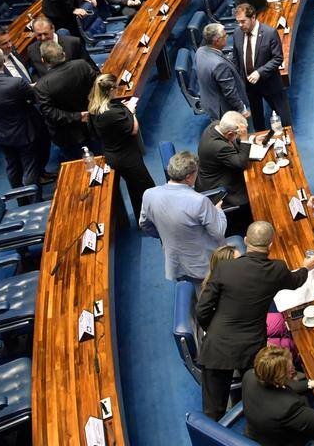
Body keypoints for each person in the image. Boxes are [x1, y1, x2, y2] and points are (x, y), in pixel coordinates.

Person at [196, 221, 314, 419]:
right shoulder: (277, 269)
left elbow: (202, 309)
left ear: (245, 241)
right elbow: (296, 282)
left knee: (212, 413)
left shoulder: (224, 268)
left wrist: (216, 330)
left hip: (217, 347)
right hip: (251, 351)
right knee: (260, 398)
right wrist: (305, 267)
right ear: (270, 246)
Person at [139, 150, 228, 285]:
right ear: (188, 177)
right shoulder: (200, 201)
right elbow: (218, 232)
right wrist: (218, 211)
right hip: (203, 265)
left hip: (175, 262)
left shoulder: (149, 194)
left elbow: (144, 224)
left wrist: (165, 235)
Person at [0, 46, 49, 189]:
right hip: (23, 130)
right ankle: (33, 201)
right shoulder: (15, 83)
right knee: (30, 166)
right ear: (2, 61)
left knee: (12, 165)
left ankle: (21, 200)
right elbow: (34, 98)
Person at [88, 73, 155, 222]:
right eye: (116, 88)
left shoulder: (94, 107)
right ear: (110, 90)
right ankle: (152, 219)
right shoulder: (111, 113)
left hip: (114, 152)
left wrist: (123, 110)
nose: (117, 90)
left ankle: (141, 217)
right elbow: (134, 129)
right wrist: (131, 111)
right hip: (126, 157)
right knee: (147, 188)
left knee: (134, 187)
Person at [33, 41, 97, 160]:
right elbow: (98, 87)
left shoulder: (41, 86)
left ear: (43, 60)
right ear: (64, 54)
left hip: (68, 134)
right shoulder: (82, 65)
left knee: (78, 164)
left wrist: (78, 116)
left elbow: (50, 113)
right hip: (94, 121)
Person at [233, 3, 290, 131]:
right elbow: (236, 59)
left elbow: (278, 58)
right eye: (238, 22)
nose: (240, 25)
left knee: (282, 116)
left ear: (253, 18)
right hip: (249, 85)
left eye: (243, 21)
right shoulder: (237, 33)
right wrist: (239, 80)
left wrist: (260, 72)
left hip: (269, 82)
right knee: (257, 118)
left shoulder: (270, 33)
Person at [198, 111, 253, 233]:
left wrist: (250, 141)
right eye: (237, 134)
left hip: (214, 174)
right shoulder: (218, 147)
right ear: (229, 133)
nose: (238, 136)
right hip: (218, 186)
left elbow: (232, 141)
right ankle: (248, 224)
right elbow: (241, 164)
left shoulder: (216, 125)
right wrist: (244, 140)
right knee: (253, 191)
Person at [196, 22, 251, 121]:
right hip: (223, 108)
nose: (227, 36)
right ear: (217, 41)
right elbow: (230, 92)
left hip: (209, 101)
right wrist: (242, 109)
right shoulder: (219, 65)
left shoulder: (200, 51)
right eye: (225, 35)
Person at [28, 17, 95, 78]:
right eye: (39, 35)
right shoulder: (32, 50)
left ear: (53, 29)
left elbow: (91, 68)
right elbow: (35, 73)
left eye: (46, 34)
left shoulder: (73, 43)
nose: (43, 38)